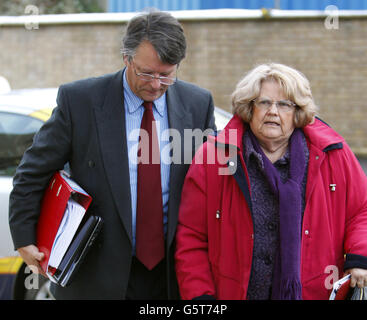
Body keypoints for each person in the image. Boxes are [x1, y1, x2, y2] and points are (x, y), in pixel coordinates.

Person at [9, 10, 216, 300]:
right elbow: (33, 171)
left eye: (166, 75)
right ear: (126, 58)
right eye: (146, 73)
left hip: (172, 277)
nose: (156, 85)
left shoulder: (198, 104)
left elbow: (213, 181)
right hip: (96, 275)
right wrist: (24, 238)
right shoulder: (80, 101)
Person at [174, 63, 367, 300]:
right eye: (264, 102)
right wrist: (200, 296)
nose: (273, 111)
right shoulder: (213, 158)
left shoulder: (332, 154)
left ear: (298, 112)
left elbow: (361, 210)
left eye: (284, 104)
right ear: (249, 108)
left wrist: (360, 256)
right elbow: (191, 236)